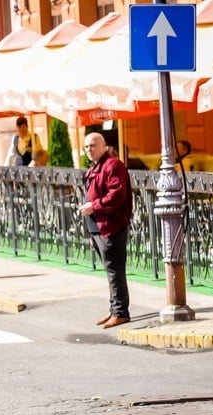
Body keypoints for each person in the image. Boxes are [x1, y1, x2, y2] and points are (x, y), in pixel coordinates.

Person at [79, 132, 132, 329]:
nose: (89, 150)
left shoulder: (113, 165)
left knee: (114, 270)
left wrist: (95, 206)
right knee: (110, 271)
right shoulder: (97, 166)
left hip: (111, 226)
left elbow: (116, 195)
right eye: (86, 147)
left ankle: (120, 312)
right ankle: (114, 309)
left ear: (103, 146)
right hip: (97, 226)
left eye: (93, 145)